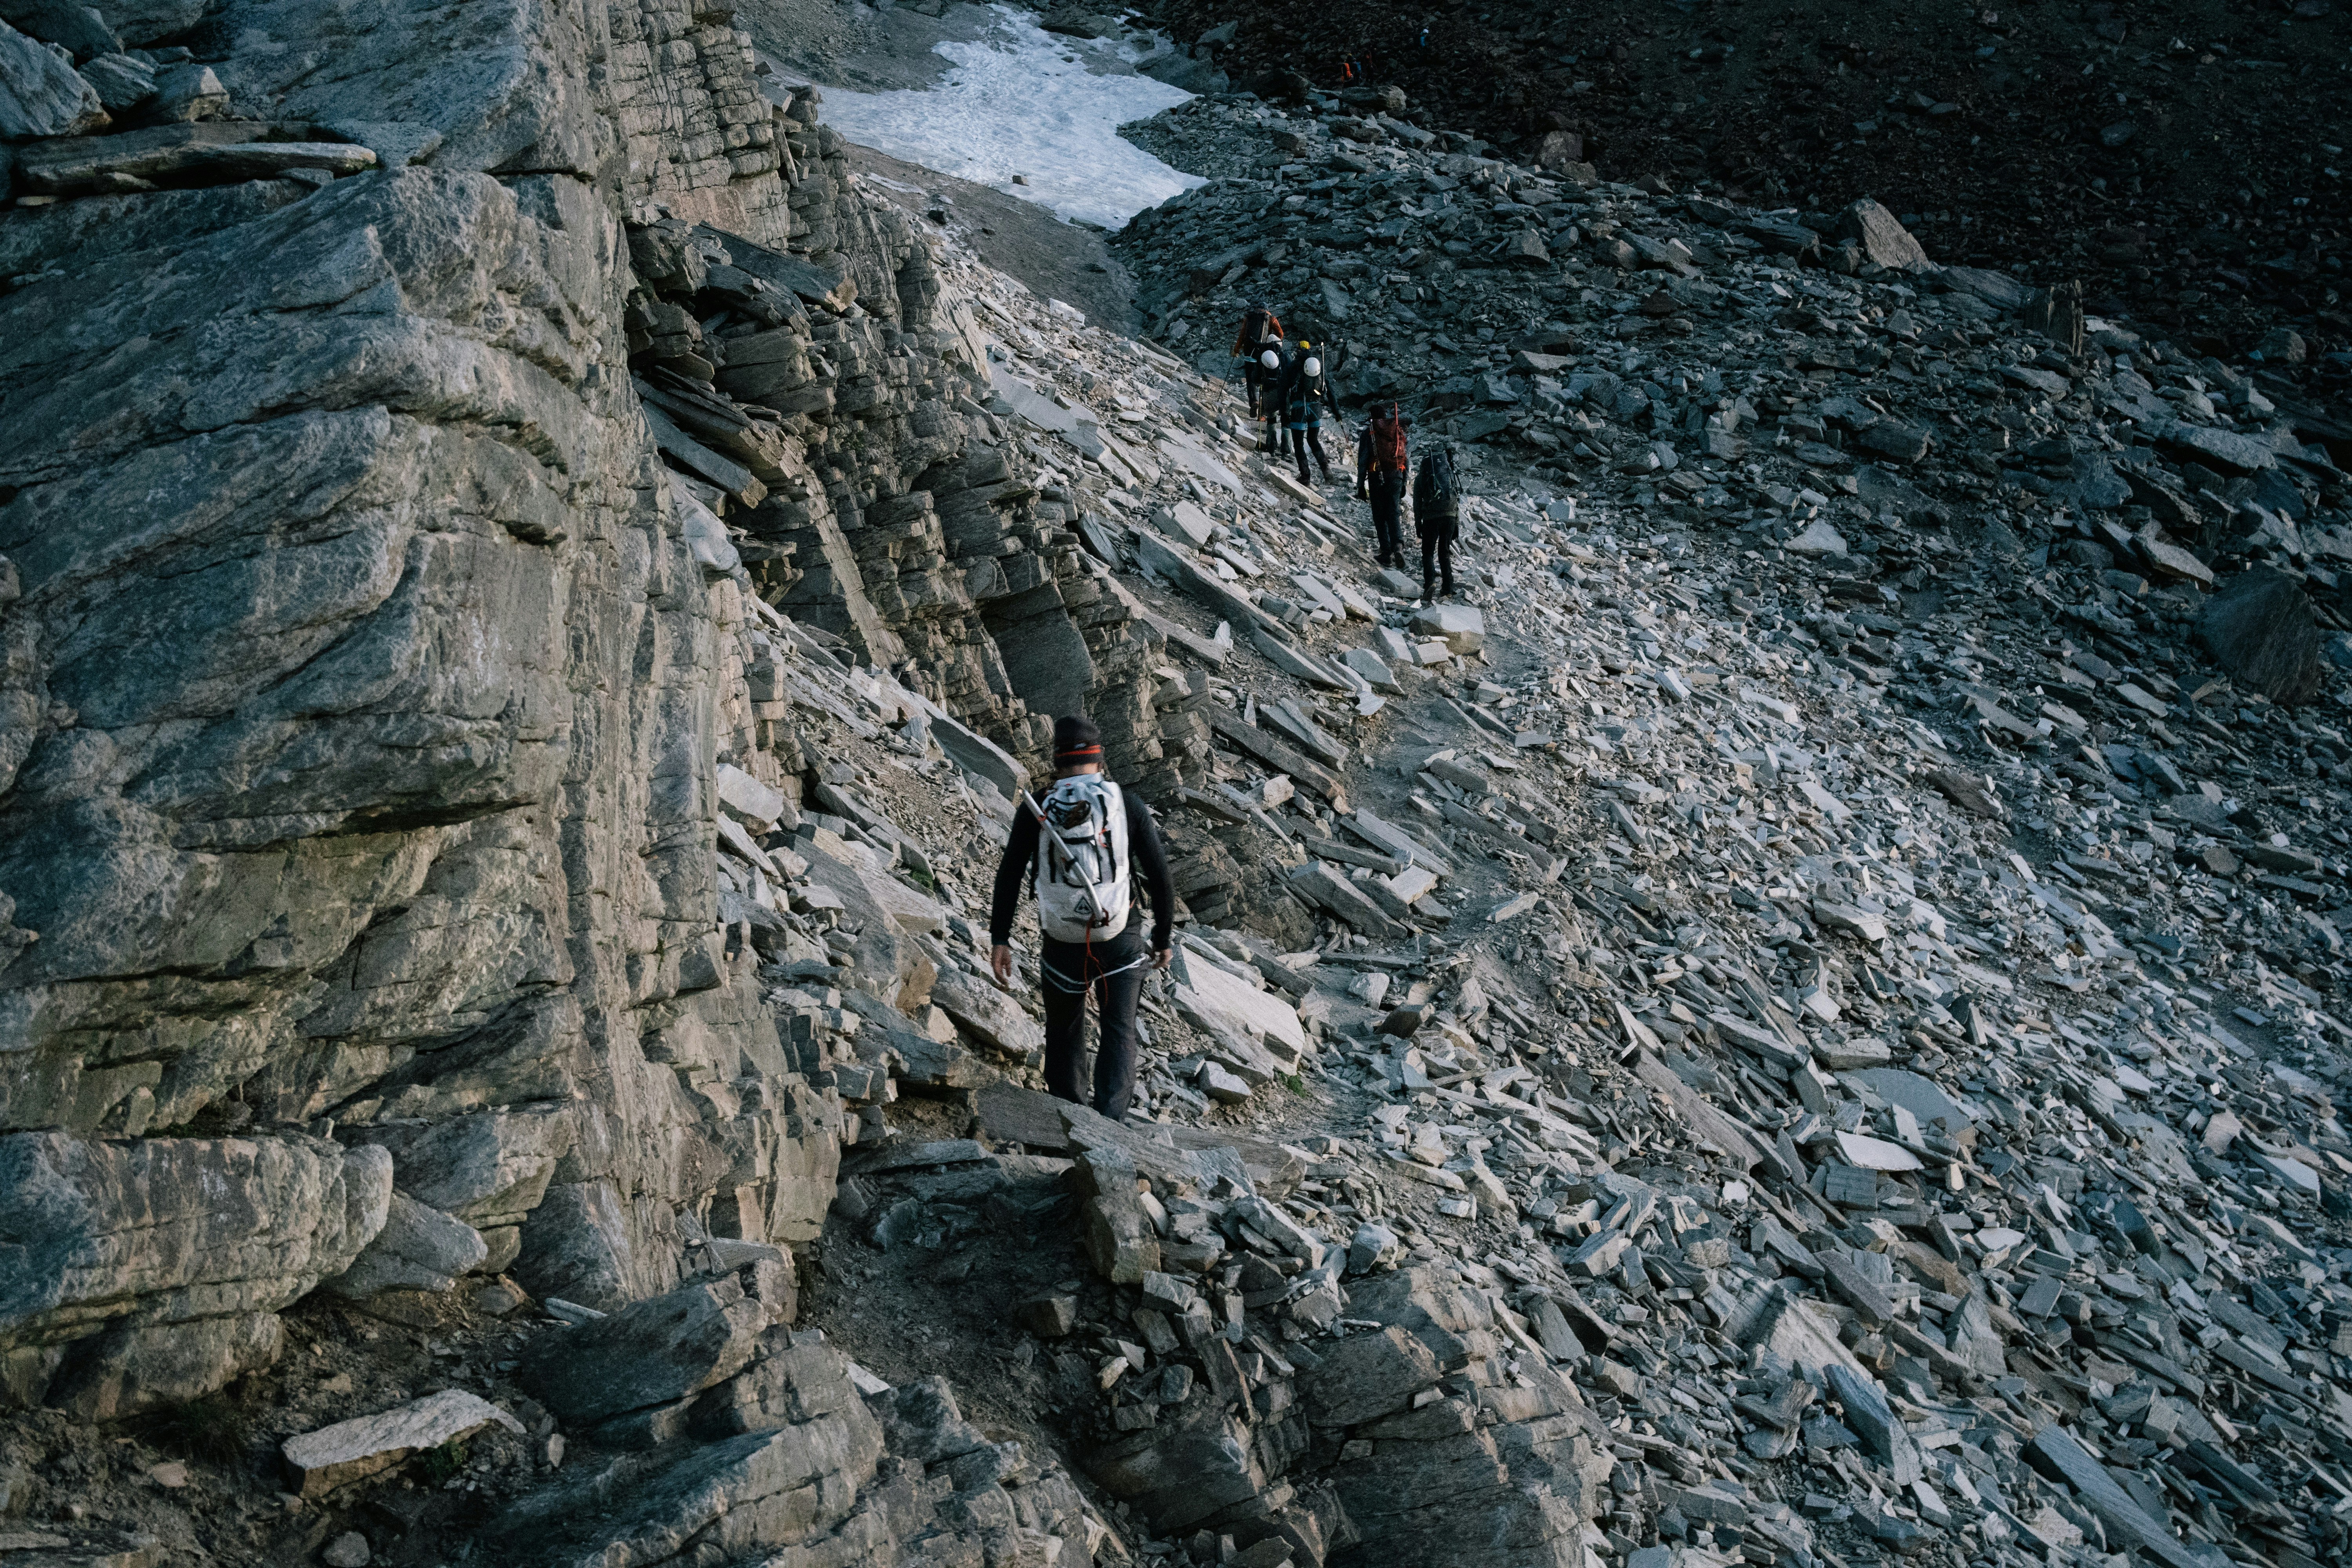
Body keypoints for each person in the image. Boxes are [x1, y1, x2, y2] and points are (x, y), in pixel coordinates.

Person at [989, 715, 1174, 1123]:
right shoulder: (1127, 805)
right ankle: (1108, 1127)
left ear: (1056, 761)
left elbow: (1010, 874)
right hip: (1120, 935)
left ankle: (1068, 1125)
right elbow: (1160, 877)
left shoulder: (1037, 809)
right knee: (1120, 1030)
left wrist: (1000, 937)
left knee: (1064, 1033)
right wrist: (1163, 936)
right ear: (1100, 758)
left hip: (1061, 942)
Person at [1354, 400, 1410, 568]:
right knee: (1393, 513)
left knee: (1380, 516)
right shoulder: (1397, 431)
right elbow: (1406, 459)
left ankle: (1386, 553)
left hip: (1376, 476)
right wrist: (1404, 483)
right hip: (1396, 475)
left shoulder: (1369, 433)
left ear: (1371, 417)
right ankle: (1398, 546)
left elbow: (1363, 460)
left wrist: (1360, 486)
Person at [1278, 340, 1340, 485]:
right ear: (1310, 350)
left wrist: (1284, 413)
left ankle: (1305, 476)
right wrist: (1336, 411)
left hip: (1299, 409)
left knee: (1299, 443)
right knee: (1314, 440)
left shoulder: (1293, 366)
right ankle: (1328, 475)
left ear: (1298, 350)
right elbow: (1329, 390)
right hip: (1316, 410)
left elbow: (1282, 391)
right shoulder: (1318, 366)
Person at [1412, 441, 1461, 600]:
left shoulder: (1421, 479)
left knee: (1427, 552)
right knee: (1444, 552)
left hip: (1431, 518)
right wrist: (1457, 525)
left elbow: (1417, 503)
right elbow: (1456, 498)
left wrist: (1418, 524)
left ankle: (1430, 583)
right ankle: (1448, 588)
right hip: (1450, 517)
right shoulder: (1449, 474)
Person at [1231, 303, 1283, 419]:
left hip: (1249, 351)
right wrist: (1273, 344)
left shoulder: (1249, 317)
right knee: (1264, 380)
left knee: (1250, 379)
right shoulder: (1271, 319)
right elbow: (1280, 333)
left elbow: (1242, 335)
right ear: (1267, 310)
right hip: (1263, 351)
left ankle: (1254, 402)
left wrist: (1236, 350)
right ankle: (1263, 413)